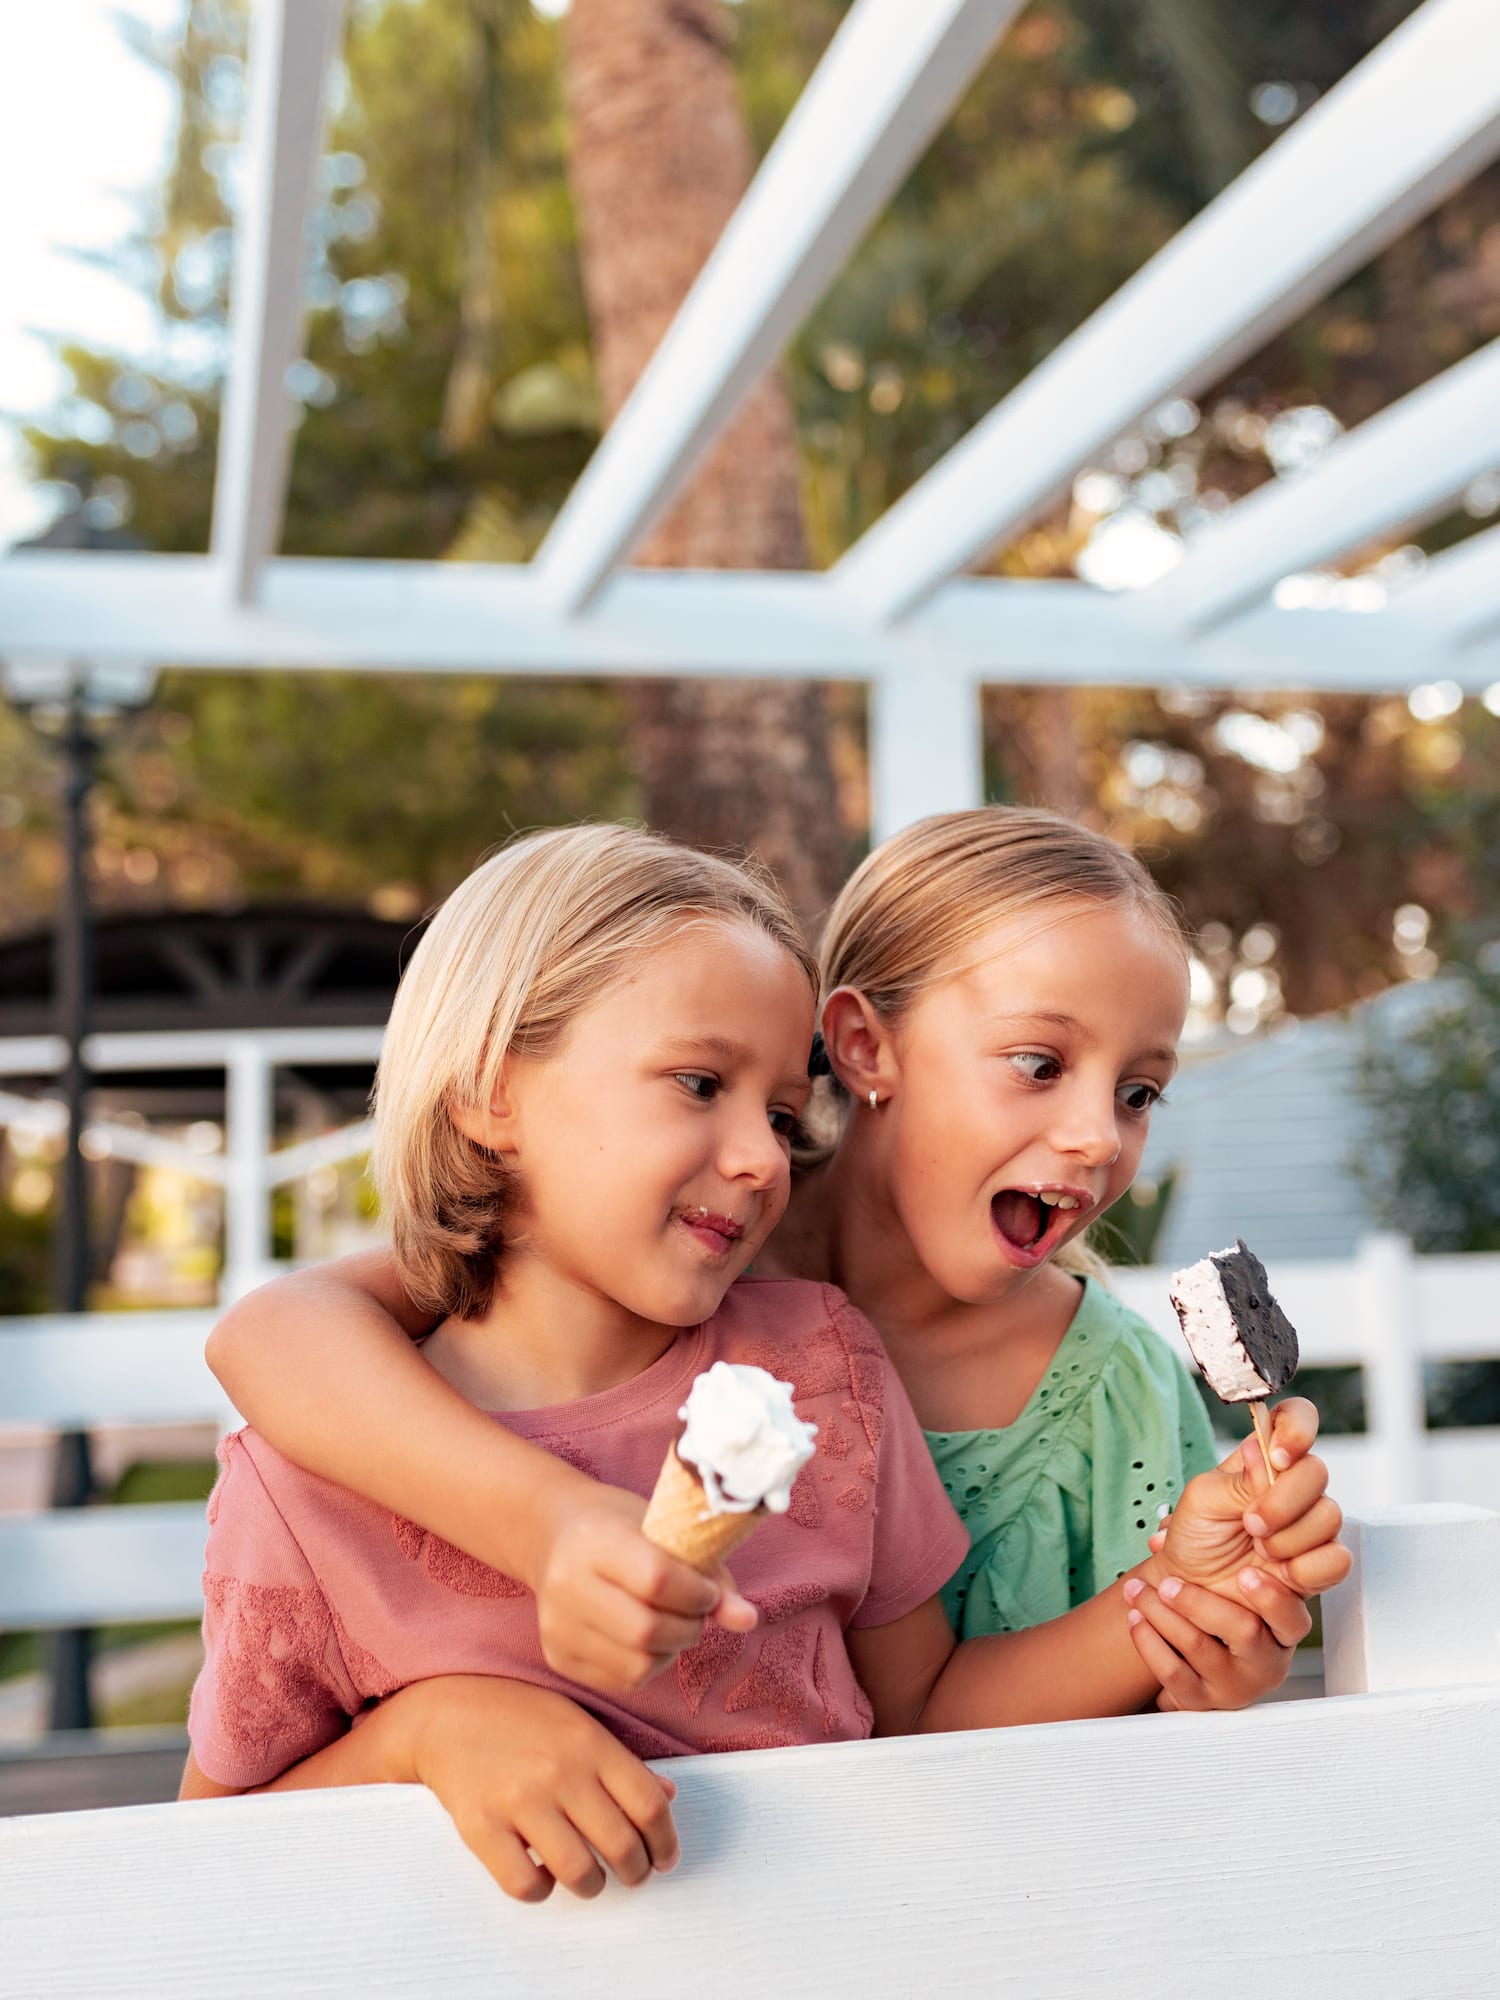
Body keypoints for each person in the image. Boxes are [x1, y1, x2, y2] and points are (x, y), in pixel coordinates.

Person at [192, 820, 1345, 1898]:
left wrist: (1189, 1605)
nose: (758, 1156)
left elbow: (923, 1716)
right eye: (702, 1084)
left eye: (785, 1116)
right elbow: (200, 1854)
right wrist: (425, 1729)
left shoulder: (826, 1369)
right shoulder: (334, 1456)